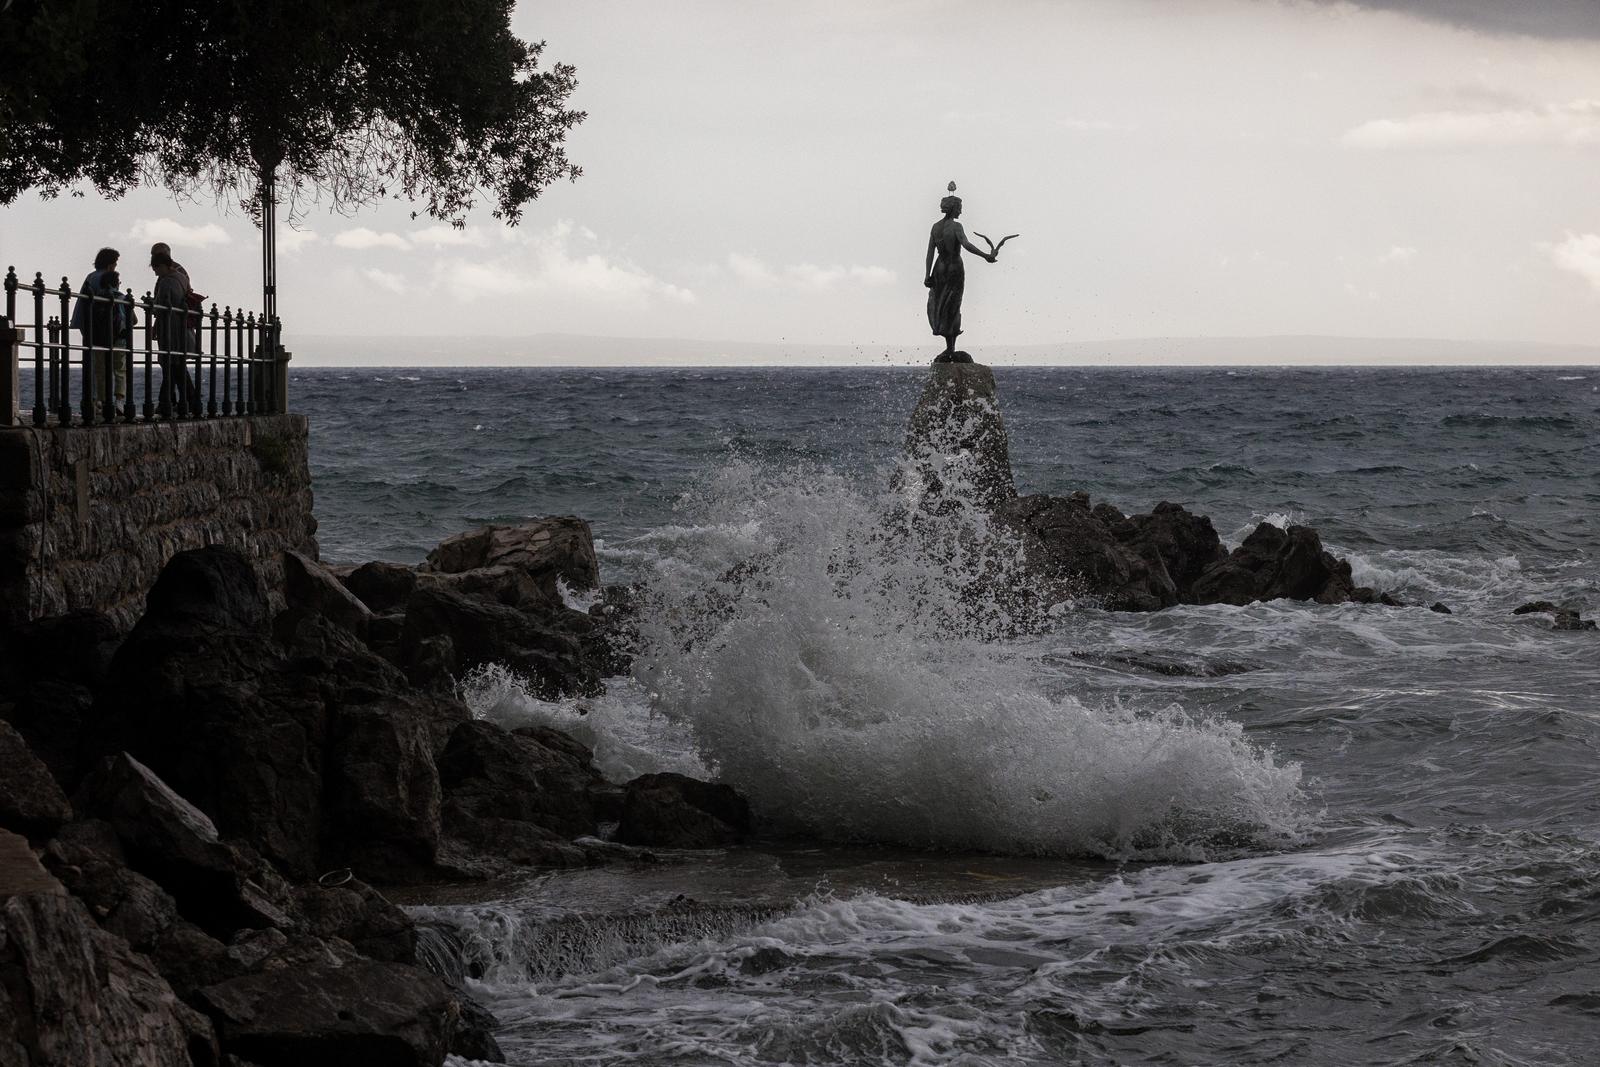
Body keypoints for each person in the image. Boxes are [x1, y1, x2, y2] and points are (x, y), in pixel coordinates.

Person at [924, 191, 996, 361]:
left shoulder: (935, 227)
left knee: (941, 305)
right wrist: (986, 255)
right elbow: (966, 244)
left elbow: (930, 252)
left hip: (939, 269)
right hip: (954, 269)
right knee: (953, 306)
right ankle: (951, 348)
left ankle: (949, 347)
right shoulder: (956, 226)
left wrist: (927, 274)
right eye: (960, 208)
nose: (961, 211)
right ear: (953, 208)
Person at [68, 247, 129, 408]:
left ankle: (96, 399)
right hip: (107, 329)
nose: (115, 266)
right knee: (115, 366)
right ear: (110, 264)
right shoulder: (105, 278)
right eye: (115, 263)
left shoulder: (91, 276)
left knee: (96, 365)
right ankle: (110, 400)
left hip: (89, 324)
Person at [151, 249, 197, 415]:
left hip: (169, 329)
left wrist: (151, 307)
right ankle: (182, 401)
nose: (156, 273)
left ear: (163, 265)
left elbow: (160, 306)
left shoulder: (166, 282)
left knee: (171, 365)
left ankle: (171, 402)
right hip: (181, 327)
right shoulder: (182, 277)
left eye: (156, 268)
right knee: (176, 365)